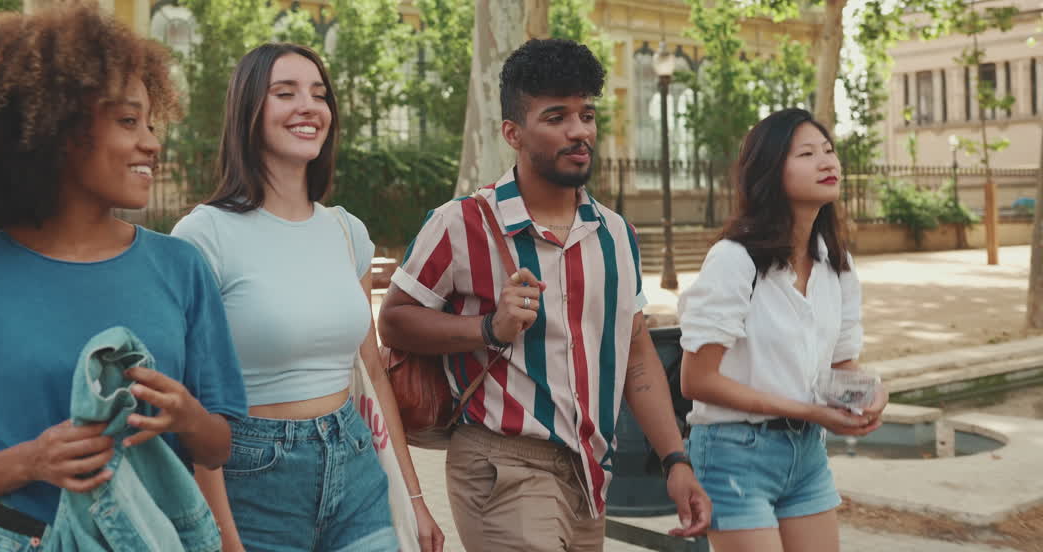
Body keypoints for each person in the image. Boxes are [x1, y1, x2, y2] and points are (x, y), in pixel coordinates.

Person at [0, 4, 247, 550]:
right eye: (129, 121)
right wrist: (32, 461)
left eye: (152, 124)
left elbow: (221, 446)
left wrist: (187, 416)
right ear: (60, 130)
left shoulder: (181, 268)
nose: (153, 144)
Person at [378, 38, 710, 552]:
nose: (579, 132)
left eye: (586, 114)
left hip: (589, 472)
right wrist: (487, 328)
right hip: (502, 463)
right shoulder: (462, 223)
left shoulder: (615, 233)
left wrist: (675, 461)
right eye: (556, 117)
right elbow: (394, 321)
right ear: (513, 132)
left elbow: (636, 350)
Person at [170, 43, 443, 552]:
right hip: (252, 477)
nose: (309, 106)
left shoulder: (346, 231)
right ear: (249, 110)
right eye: (285, 92)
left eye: (319, 94)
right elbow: (187, 393)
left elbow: (373, 372)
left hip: (355, 460)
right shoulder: (203, 234)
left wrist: (415, 496)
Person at [678, 107, 889, 552]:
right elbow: (696, 379)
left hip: (807, 453)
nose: (828, 162)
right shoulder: (734, 260)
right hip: (733, 451)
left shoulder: (838, 263)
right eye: (808, 154)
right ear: (772, 171)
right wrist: (810, 410)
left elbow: (842, 364)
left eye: (829, 151)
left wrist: (869, 393)